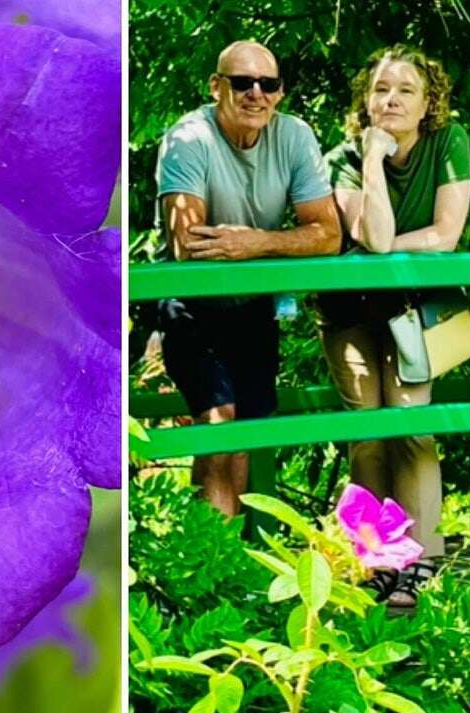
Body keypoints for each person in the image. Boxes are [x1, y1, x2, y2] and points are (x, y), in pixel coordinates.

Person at [155, 40, 341, 517]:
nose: (256, 93)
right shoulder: (188, 139)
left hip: (253, 306)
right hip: (190, 303)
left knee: (243, 437)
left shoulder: (295, 137)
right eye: (242, 82)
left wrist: (254, 242)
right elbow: (188, 245)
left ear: (279, 92)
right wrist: (280, 241)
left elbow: (328, 235)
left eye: (268, 83)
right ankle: (204, 562)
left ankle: (228, 561)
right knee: (220, 426)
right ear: (217, 86)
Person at [318, 45, 470, 605]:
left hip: (421, 305)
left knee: (413, 428)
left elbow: (445, 235)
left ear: (428, 102)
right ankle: (374, 561)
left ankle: (420, 562)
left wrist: (382, 253)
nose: (392, 100)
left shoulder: (449, 142)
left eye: (406, 90)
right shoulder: (343, 157)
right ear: (366, 99)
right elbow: (376, 235)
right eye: (382, 89)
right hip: (350, 308)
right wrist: (372, 160)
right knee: (367, 433)